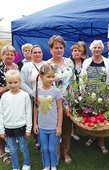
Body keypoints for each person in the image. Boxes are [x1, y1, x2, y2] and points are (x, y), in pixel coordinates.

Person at [80, 40, 109, 154]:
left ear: (102, 49)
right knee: (91, 116)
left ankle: (101, 142)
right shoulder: (87, 62)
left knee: (102, 118)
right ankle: (92, 136)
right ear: (91, 49)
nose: (97, 49)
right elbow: (82, 77)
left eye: (99, 47)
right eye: (95, 48)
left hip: (102, 95)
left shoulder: (107, 62)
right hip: (89, 95)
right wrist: (84, 93)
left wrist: (108, 94)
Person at [47, 35, 75, 164]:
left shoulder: (69, 62)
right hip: (55, 104)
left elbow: (73, 81)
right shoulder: (48, 65)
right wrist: (64, 106)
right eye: (56, 48)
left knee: (67, 129)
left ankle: (66, 151)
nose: (59, 50)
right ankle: (56, 151)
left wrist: (75, 100)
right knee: (56, 130)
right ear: (51, 49)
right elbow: (50, 87)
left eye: (61, 47)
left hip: (70, 102)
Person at [0, 70, 32, 170]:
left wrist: (28, 129)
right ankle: (15, 166)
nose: (13, 85)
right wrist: (1, 130)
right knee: (12, 149)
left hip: (21, 127)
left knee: (23, 147)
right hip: (8, 127)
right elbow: (1, 113)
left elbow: (28, 112)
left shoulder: (24, 95)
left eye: (15, 82)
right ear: (6, 83)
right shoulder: (4, 96)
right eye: (10, 83)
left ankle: (26, 164)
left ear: (20, 81)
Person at [33, 64, 63, 170]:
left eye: (52, 76)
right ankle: (46, 165)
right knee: (44, 148)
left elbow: (60, 109)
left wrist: (59, 126)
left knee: (51, 148)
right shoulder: (36, 91)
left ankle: (53, 165)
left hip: (53, 127)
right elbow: (36, 107)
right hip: (42, 126)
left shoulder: (56, 92)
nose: (51, 79)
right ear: (41, 76)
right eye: (48, 76)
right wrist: (35, 124)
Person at [20, 45, 46, 149]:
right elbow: (22, 83)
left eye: (39, 52)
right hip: (33, 98)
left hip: (46, 97)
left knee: (45, 116)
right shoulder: (26, 66)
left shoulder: (47, 64)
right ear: (31, 54)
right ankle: (38, 139)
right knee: (35, 118)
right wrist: (33, 93)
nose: (37, 54)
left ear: (42, 53)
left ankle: (46, 138)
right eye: (34, 52)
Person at [70, 44, 85, 140]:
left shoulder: (85, 62)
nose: (77, 52)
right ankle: (70, 131)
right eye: (75, 50)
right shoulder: (68, 62)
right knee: (72, 110)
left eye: (79, 51)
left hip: (83, 89)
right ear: (72, 52)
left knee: (80, 110)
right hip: (72, 89)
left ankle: (75, 130)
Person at [0, 50, 11, 165]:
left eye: (12, 54)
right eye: (7, 54)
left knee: (9, 122)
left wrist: (5, 88)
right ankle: (2, 151)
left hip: (12, 100)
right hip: (1, 99)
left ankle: (9, 144)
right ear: (3, 55)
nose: (9, 56)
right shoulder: (0, 66)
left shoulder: (16, 66)